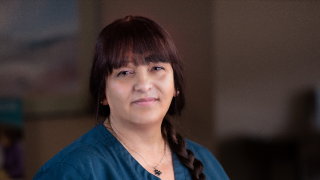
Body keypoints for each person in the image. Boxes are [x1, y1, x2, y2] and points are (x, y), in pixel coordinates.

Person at [33, 15, 229, 180]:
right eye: (124, 72)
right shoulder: (73, 170)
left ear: (175, 85)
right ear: (102, 93)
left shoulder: (205, 162)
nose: (143, 85)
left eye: (156, 68)